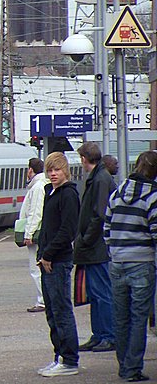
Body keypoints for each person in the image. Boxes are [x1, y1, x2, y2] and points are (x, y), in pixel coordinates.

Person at [103, 150, 157, 383]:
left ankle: (123, 364)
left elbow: (106, 230)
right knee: (138, 318)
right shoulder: (153, 197)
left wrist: (116, 251)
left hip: (117, 263)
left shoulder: (116, 194)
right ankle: (132, 368)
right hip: (142, 262)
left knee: (121, 317)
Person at [37, 151, 81, 377]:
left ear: (66, 170)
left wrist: (49, 254)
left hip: (58, 261)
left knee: (62, 310)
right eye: (50, 170)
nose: (53, 174)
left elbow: (68, 230)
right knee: (52, 313)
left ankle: (69, 360)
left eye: (57, 169)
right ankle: (59, 356)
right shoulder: (51, 193)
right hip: (47, 260)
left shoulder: (68, 195)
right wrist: (42, 253)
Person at [74, 142, 116, 353]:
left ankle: (108, 335)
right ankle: (98, 334)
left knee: (102, 292)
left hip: (96, 248)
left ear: (84, 158)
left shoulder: (99, 179)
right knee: (94, 293)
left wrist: (84, 239)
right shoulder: (99, 177)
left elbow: (99, 215)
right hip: (93, 248)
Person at [20, 157, 47, 312]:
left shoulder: (37, 187)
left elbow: (35, 212)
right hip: (40, 232)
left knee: (35, 268)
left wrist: (28, 234)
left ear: (30, 170)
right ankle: (44, 299)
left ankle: (42, 301)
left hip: (36, 234)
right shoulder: (40, 184)